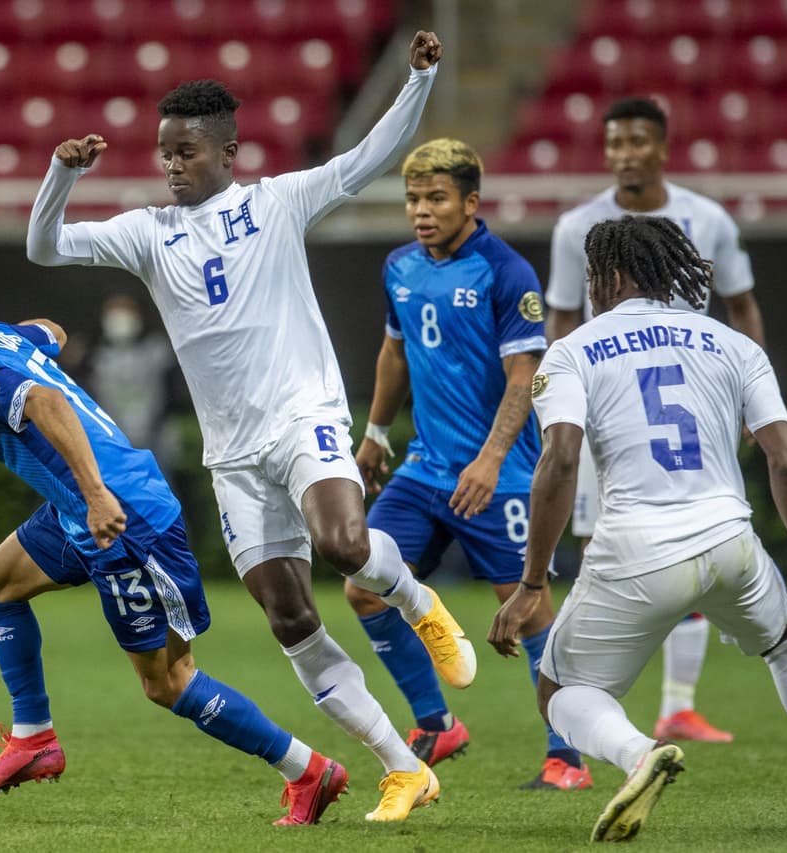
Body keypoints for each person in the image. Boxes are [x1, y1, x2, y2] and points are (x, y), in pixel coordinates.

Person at [26, 30, 471, 821]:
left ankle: (414, 601)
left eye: (186, 152)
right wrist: (64, 173)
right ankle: (404, 768)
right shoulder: (146, 232)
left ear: (228, 152)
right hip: (232, 453)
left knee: (343, 543)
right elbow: (45, 246)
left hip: (303, 416)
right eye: (164, 152)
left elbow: (369, 156)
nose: (171, 165)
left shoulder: (277, 201)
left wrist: (416, 82)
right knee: (290, 617)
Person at [0, 260, 352, 826]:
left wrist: (94, 495)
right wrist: (20, 354)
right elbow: (53, 331)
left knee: (168, 681)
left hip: (119, 516)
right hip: (82, 509)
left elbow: (47, 403)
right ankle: (33, 739)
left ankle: (307, 771)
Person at [489, 215, 787, 842]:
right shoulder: (736, 345)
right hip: (730, 543)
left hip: (637, 550)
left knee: (558, 690)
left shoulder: (572, 349)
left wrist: (530, 582)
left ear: (609, 274)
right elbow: (785, 460)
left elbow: (561, 460)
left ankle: (637, 755)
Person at [345, 138, 590, 791]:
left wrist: (490, 457)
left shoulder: (506, 272)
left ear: (471, 202)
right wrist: (374, 432)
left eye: (436, 198)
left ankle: (567, 755)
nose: (421, 211)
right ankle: (437, 721)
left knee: (527, 608)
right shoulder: (399, 265)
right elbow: (395, 354)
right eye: (413, 198)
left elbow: (524, 375)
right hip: (424, 468)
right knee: (364, 584)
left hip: (502, 473)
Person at [544, 96, 767, 744]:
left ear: (662, 146)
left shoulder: (708, 218)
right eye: (613, 143)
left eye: (637, 142)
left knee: (693, 533)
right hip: (605, 405)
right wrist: (556, 407)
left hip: (690, 401)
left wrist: (754, 396)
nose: (624, 155)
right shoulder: (576, 226)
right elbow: (561, 318)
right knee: (600, 551)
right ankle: (598, 700)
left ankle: (675, 704)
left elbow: (742, 305)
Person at [81, 293, 178, 472]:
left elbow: (172, 393)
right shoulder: (95, 356)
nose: (120, 318)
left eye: (126, 310)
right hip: (112, 442)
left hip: (156, 440)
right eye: (114, 310)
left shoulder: (157, 349)